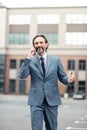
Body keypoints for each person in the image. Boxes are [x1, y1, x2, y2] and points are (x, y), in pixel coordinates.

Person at [18, 34, 75, 130]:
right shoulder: (30, 61)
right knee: (36, 128)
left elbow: (62, 77)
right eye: (36, 43)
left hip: (52, 101)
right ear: (34, 46)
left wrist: (68, 80)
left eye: (41, 42)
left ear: (46, 45)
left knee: (52, 127)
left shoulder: (56, 60)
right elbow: (22, 75)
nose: (39, 45)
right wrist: (28, 59)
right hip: (36, 101)